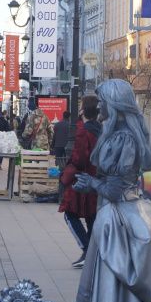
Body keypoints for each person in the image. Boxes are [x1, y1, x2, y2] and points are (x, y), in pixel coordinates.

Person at [66, 79, 151, 302]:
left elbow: (117, 188)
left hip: (120, 220)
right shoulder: (114, 133)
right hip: (110, 218)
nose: (99, 106)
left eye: (103, 101)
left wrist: (92, 183)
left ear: (115, 103)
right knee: (100, 285)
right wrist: (92, 184)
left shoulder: (125, 139)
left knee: (115, 287)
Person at [59, 99, 99, 269]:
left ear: (83, 110)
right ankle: (92, 254)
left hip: (81, 179)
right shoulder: (100, 129)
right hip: (96, 178)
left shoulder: (84, 131)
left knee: (69, 214)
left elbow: (79, 158)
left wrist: (66, 174)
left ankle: (87, 250)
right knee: (91, 217)